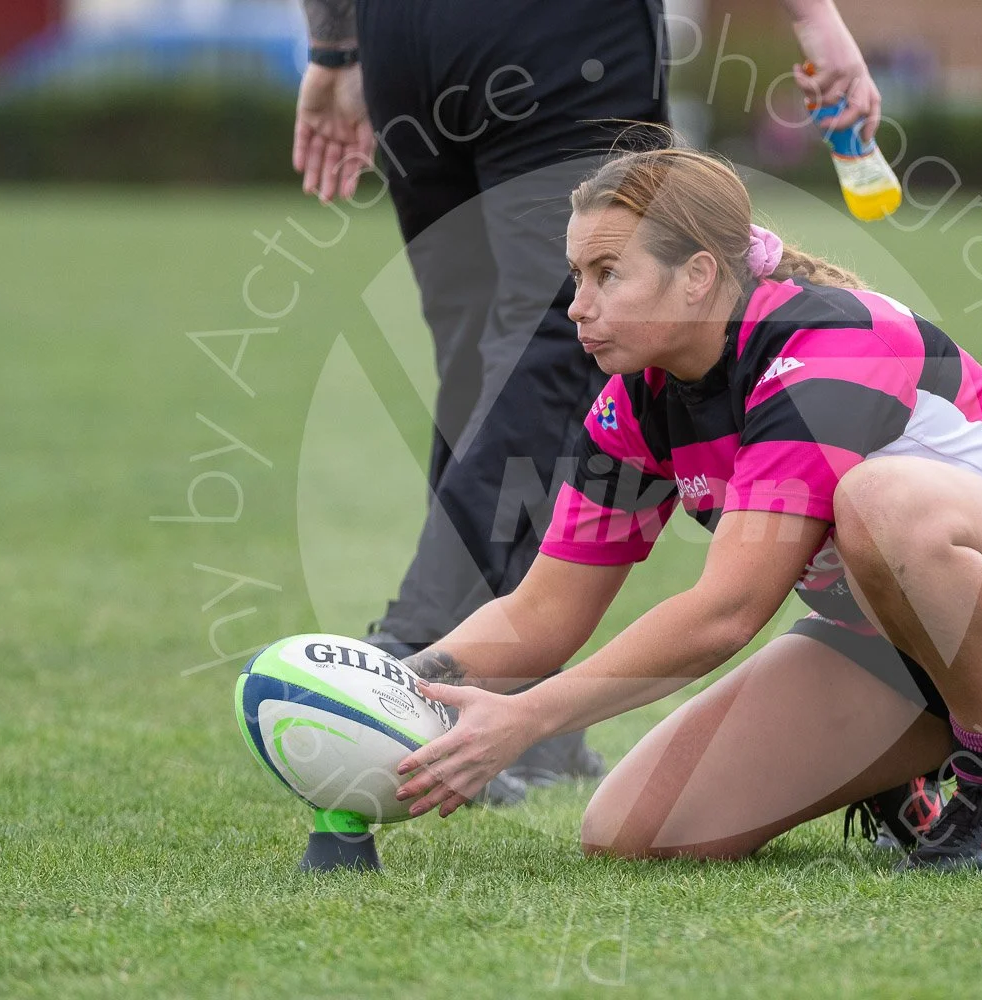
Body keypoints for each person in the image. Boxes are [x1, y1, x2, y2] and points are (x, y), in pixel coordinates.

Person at [384, 147, 982, 870]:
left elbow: (728, 611)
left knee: (880, 500)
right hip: (899, 640)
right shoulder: (635, 402)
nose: (577, 306)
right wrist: (389, 683)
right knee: (631, 831)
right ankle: (897, 771)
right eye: (577, 275)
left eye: (606, 274)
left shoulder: (826, 342)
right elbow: (543, 612)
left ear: (696, 276)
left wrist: (526, 719)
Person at [289, 0, 889, 801]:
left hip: (402, 38)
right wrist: (815, 20)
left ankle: (516, 713)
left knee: (482, 363)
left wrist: (336, 48)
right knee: (553, 338)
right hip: (554, 28)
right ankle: (414, 659)